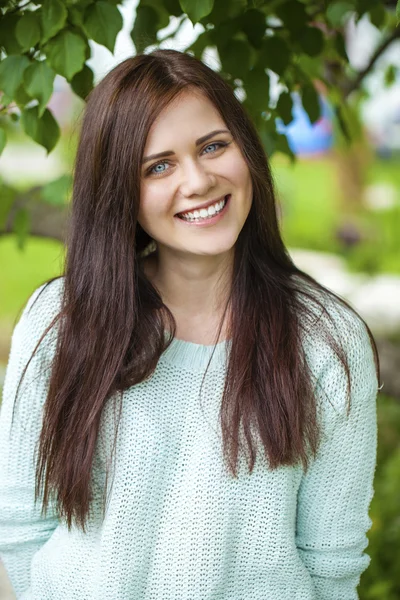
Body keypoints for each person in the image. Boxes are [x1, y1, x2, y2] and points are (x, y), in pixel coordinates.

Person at [0, 49, 379, 600]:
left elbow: (331, 565)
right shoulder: (63, 320)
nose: (199, 181)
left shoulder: (325, 341)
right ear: (118, 192)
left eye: (213, 147)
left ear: (245, 150)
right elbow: (20, 529)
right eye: (158, 166)